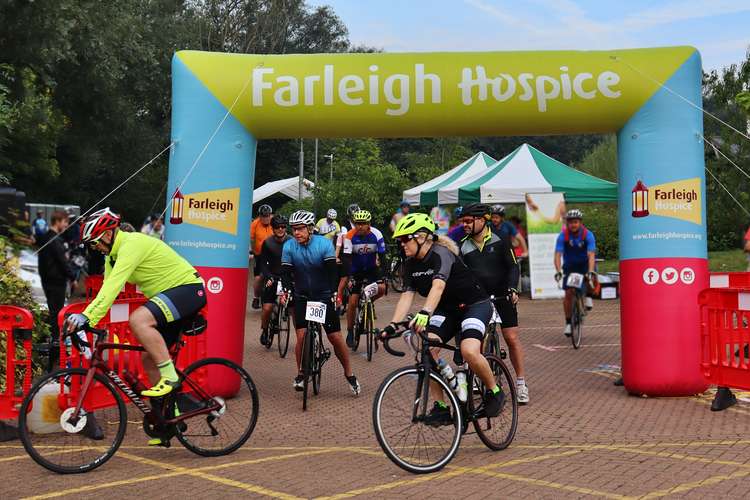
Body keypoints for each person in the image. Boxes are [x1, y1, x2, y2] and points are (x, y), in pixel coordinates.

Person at [63, 208, 206, 446]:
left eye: (95, 242)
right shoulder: (112, 257)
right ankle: (171, 419)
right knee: (149, 361)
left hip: (188, 288)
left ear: (108, 235)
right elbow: (107, 293)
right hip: (171, 296)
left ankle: (170, 377)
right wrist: (86, 319)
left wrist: (85, 318)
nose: (94, 248)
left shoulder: (131, 244)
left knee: (139, 320)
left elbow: (112, 288)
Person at [381, 213, 505, 424]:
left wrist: (425, 313)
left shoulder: (441, 254)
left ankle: (494, 391)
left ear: (421, 237)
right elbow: (406, 296)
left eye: (404, 239)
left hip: (474, 305)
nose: (402, 245)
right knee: (427, 350)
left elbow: (438, 286)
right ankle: (441, 406)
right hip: (447, 310)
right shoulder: (411, 264)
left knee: (468, 350)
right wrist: (393, 325)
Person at [281, 210, 361, 395]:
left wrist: (334, 292)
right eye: (294, 229)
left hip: (323, 295)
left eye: (300, 229)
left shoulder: (323, 244)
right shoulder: (289, 246)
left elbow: (333, 272)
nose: (296, 233)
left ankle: (349, 373)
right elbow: (285, 272)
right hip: (301, 295)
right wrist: (286, 290)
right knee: (301, 337)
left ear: (310, 228)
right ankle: (301, 373)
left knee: (334, 337)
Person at [459, 204, 529, 404]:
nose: (464, 225)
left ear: (482, 220)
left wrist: (512, 289)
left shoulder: (500, 239)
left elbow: (513, 267)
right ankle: (477, 374)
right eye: (463, 221)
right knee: (476, 337)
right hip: (478, 298)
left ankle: (521, 383)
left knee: (511, 338)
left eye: (468, 221)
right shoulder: (462, 245)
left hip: (502, 295)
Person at [343, 210, 386, 347]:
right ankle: (350, 331)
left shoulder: (377, 234)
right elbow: (347, 259)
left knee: (382, 288)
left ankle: (368, 301)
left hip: (372, 270)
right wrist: (349, 277)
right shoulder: (350, 236)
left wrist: (384, 275)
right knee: (353, 302)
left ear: (369, 224)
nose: (360, 226)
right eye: (357, 223)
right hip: (356, 271)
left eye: (363, 224)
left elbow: (383, 257)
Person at [553, 209, 596, 336]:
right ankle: (568, 323)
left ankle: (588, 296)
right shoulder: (563, 236)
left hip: (585, 264)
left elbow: (591, 254)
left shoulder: (588, 235)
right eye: (570, 222)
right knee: (568, 293)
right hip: (570, 267)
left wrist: (590, 271)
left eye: (576, 222)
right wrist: (558, 271)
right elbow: (558, 255)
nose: (573, 225)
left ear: (580, 222)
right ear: (567, 223)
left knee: (590, 278)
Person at [37, 211, 76, 350]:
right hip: (56, 281)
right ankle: (57, 340)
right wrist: (73, 277)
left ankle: (55, 338)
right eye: (65, 222)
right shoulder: (55, 240)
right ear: (58, 221)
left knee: (54, 310)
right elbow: (62, 261)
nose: (66, 225)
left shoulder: (46, 237)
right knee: (57, 311)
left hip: (48, 280)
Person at [258, 215, 292, 346]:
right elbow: (262, 264)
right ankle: (265, 330)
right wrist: (268, 277)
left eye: (283, 226)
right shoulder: (267, 243)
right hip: (272, 277)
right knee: (267, 308)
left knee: (294, 310)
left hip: (287, 277)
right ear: (273, 228)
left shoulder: (292, 241)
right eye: (277, 227)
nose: (281, 229)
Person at [335, 203, 359, 309]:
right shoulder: (345, 225)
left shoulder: (361, 223)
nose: (355, 218)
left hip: (358, 250)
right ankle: (339, 299)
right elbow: (345, 239)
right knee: (344, 278)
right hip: (346, 251)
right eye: (353, 216)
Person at [250, 204, 274, 310]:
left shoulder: (275, 222)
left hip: (273, 253)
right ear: (259, 216)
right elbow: (250, 238)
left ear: (270, 215)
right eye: (263, 216)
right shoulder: (255, 223)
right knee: (259, 277)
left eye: (267, 216)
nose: (265, 218)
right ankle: (256, 297)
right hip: (259, 254)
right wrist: (250, 251)